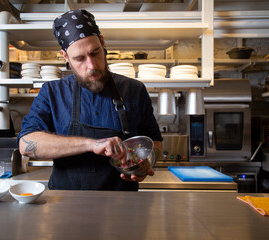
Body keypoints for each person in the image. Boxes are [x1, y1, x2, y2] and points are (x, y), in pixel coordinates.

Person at [18, 9, 162, 191]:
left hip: (123, 206)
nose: (91, 66)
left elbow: (155, 142)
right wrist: (91, 144)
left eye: (95, 53)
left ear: (102, 42)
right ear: (65, 57)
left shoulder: (134, 90)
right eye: (79, 58)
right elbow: (26, 144)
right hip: (65, 206)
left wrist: (144, 164)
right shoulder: (52, 92)